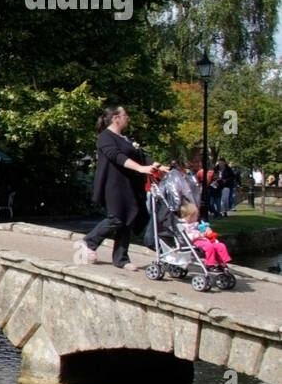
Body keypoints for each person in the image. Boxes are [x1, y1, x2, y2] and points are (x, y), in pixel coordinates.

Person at [79, 106, 161, 270]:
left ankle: (121, 258)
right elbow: (116, 156)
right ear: (115, 118)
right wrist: (139, 168)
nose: (128, 117)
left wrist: (157, 166)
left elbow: (140, 155)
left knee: (129, 219)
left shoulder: (125, 138)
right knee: (116, 218)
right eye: (125, 115)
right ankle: (89, 242)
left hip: (130, 184)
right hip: (113, 184)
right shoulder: (105, 137)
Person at [178, 203, 232, 270]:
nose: (197, 217)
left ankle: (223, 262)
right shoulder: (183, 225)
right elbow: (186, 236)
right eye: (196, 216)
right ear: (190, 216)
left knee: (220, 245)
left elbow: (203, 228)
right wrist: (198, 235)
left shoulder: (196, 223)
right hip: (194, 242)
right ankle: (209, 264)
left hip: (204, 240)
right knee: (209, 247)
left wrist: (207, 230)